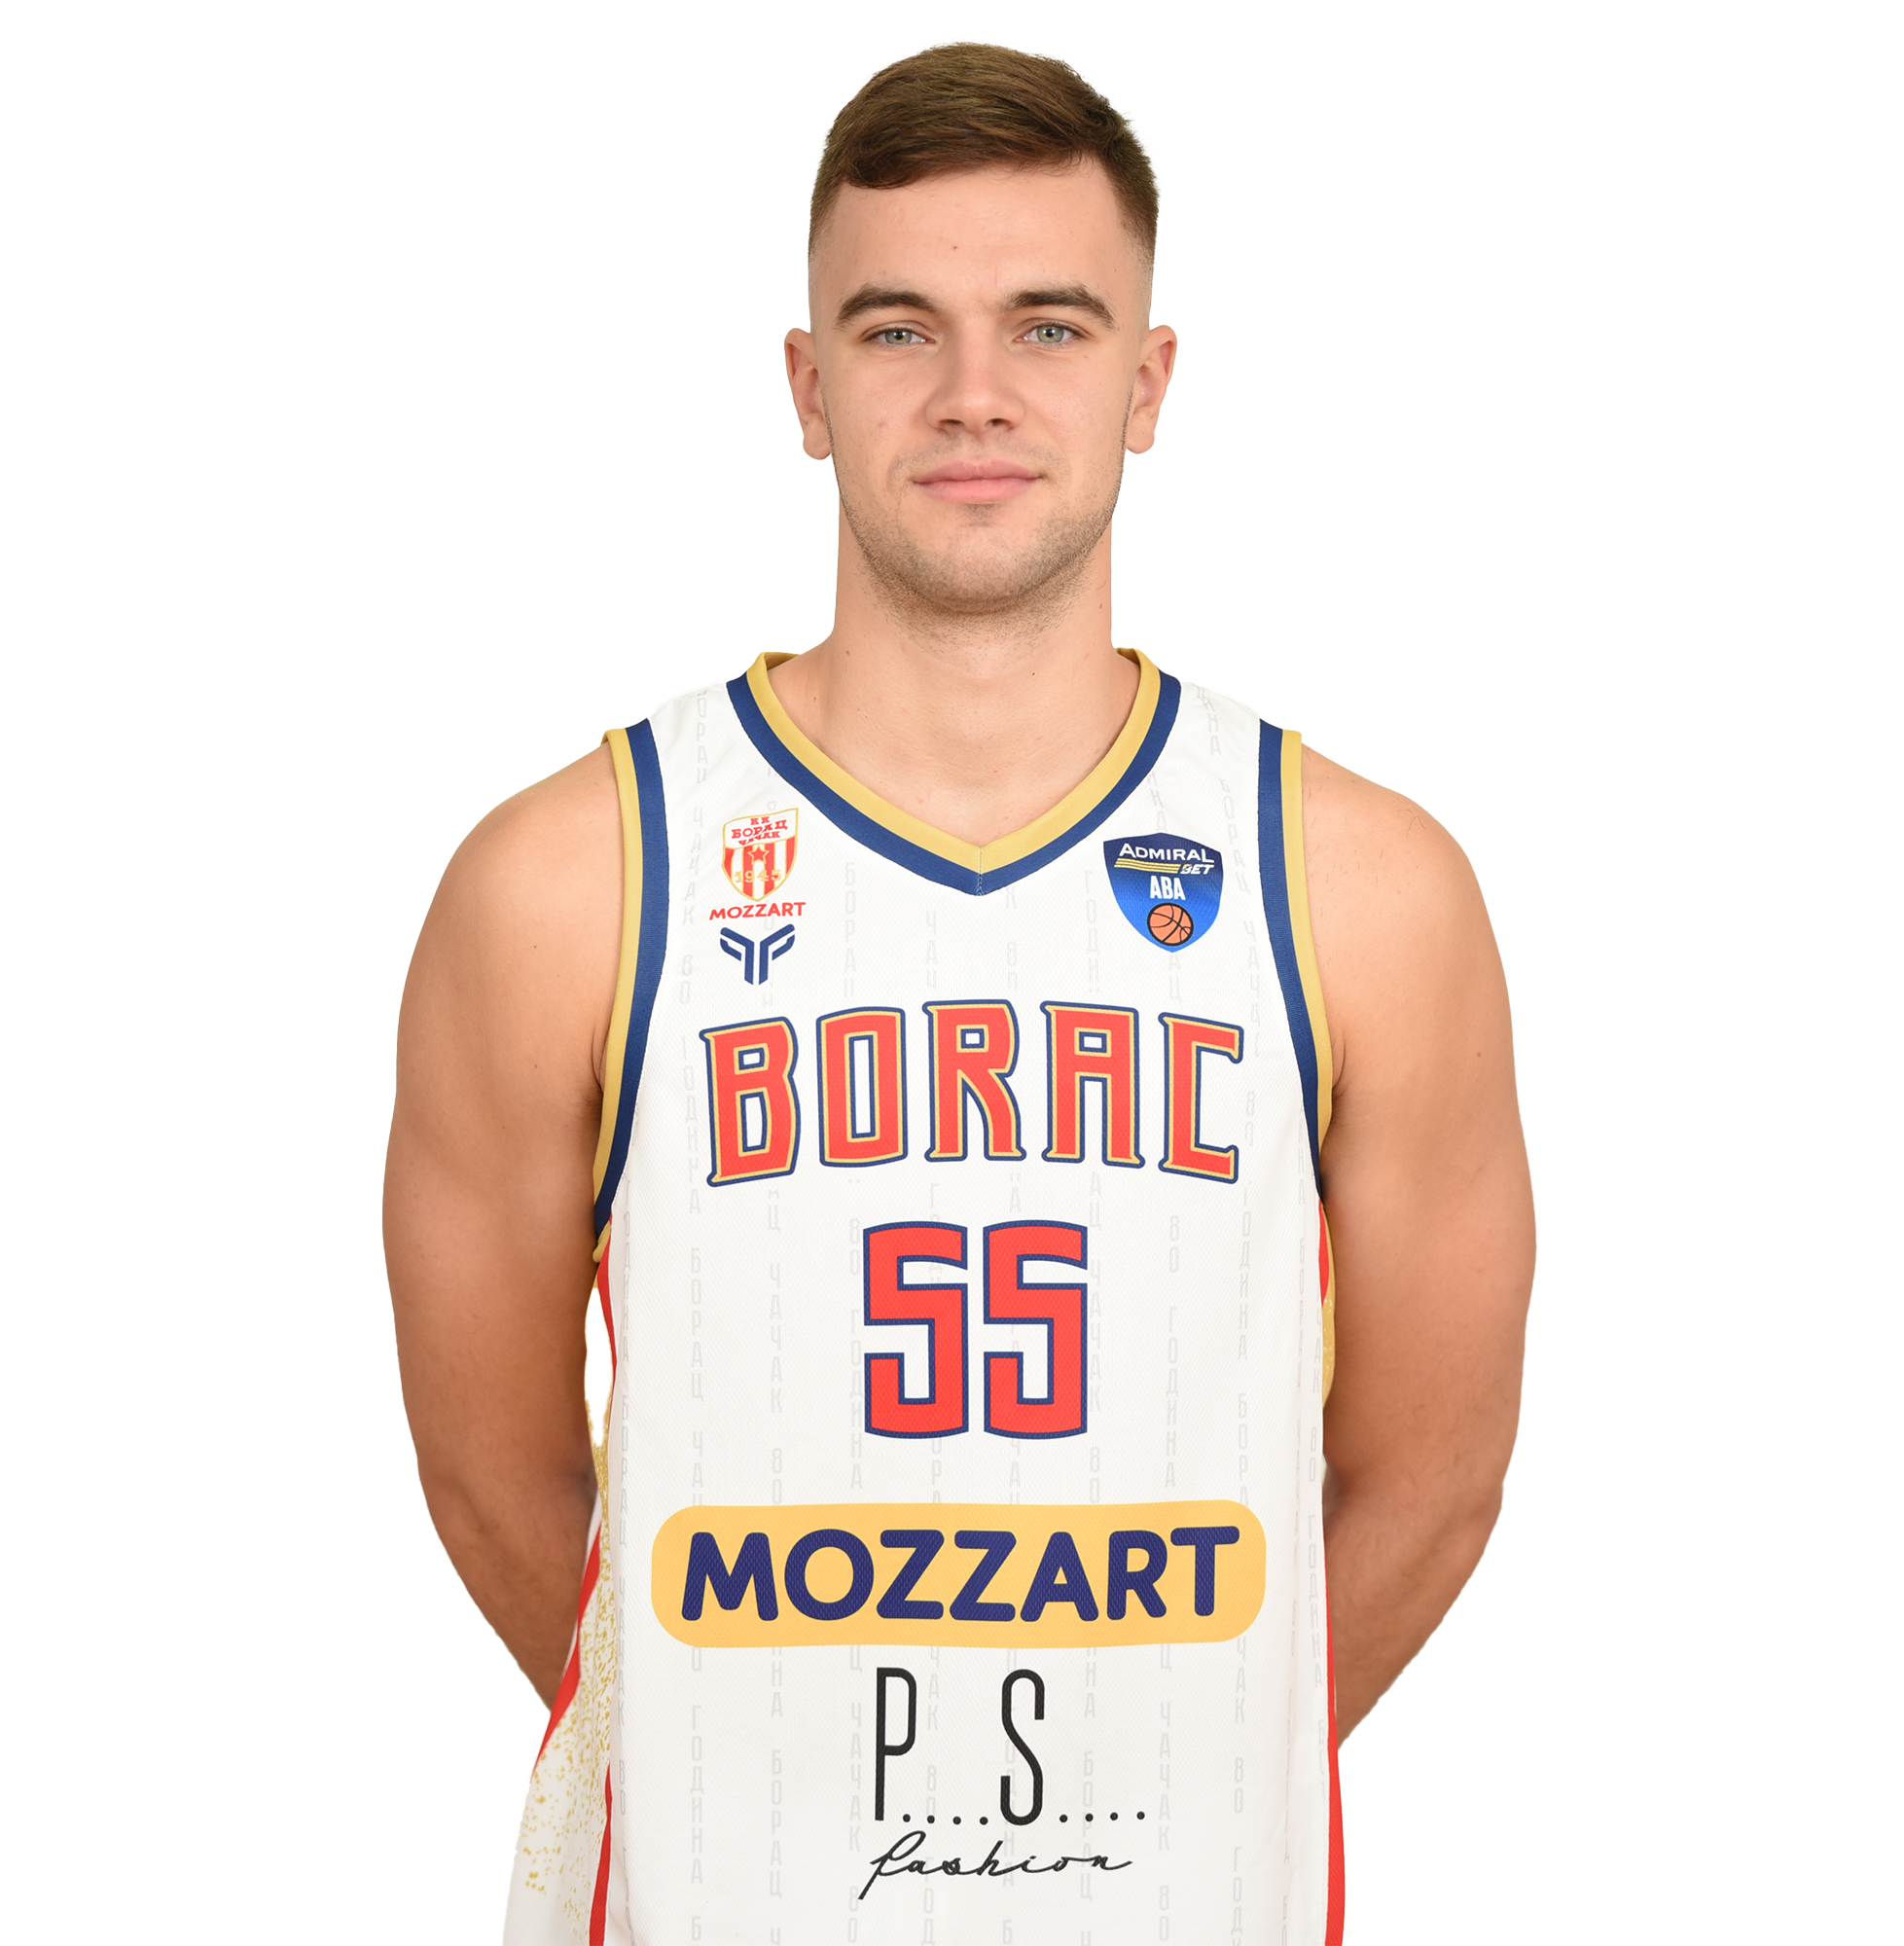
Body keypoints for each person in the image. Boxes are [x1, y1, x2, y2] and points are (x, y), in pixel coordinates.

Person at [384, 39, 1533, 1946]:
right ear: (807, 386)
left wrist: (1185, 1778)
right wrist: (737, 1769)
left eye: (1050, 327)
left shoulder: (1364, 888)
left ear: (1147, 382)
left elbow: (1438, 1474)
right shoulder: (567, 883)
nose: (974, 393)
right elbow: (487, 1469)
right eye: (898, 328)